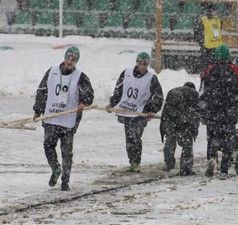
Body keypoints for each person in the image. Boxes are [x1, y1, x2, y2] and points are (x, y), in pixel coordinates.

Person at [33, 46, 94, 191]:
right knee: (48, 145)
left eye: (73, 60)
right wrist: (38, 110)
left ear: (76, 61)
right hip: (52, 117)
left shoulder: (81, 76)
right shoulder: (52, 71)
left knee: (66, 151)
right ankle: (55, 169)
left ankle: (65, 181)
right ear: (65, 57)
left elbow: (89, 95)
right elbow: (42, 90)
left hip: (68, 120)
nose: (70, 62)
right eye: (68, 58)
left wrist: (83, 102)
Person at [106, 52, 163, 172]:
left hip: (140, 112)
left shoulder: (151, 78)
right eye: (140, 63)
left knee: (135, 137)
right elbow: (118, 90)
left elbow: (158, 96)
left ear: (147, 65)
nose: (142, 66)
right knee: (129, 138)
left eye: (145, 64)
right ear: (136, 63)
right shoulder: (126, 73)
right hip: (126, 111)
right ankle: (132, 161)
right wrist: (112, 103)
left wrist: (152, 110)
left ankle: (136, 162)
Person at [199, 44, 238, 179]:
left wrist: (203, 110)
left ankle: (212, 159)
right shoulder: (235, 71)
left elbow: (202, 93)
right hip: (229, 112)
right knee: (228, 139)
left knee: (212, 138)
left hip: (212, 111)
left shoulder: (208, 71)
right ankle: (224, 169)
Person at [160, 82, 201, 176]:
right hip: (185, 122)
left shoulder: (172, 91)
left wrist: (164, 124)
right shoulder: (194, 93)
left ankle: (169, 163)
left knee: (170, 142)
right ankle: (186, 169)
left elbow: (166, 109)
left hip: (171, 121)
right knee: (187, 145)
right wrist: (193, 128)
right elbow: (196, 112)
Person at [194, 4, 223, 71]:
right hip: (207, 49)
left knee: (217, 68)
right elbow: (197, 33)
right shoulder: (203, 20)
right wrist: (202, 43)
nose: (215, 12)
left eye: (216, 11)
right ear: (209, 11)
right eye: (213, 11)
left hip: (217, 48)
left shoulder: (218, 20)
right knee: (207, 68)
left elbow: (219, 31)